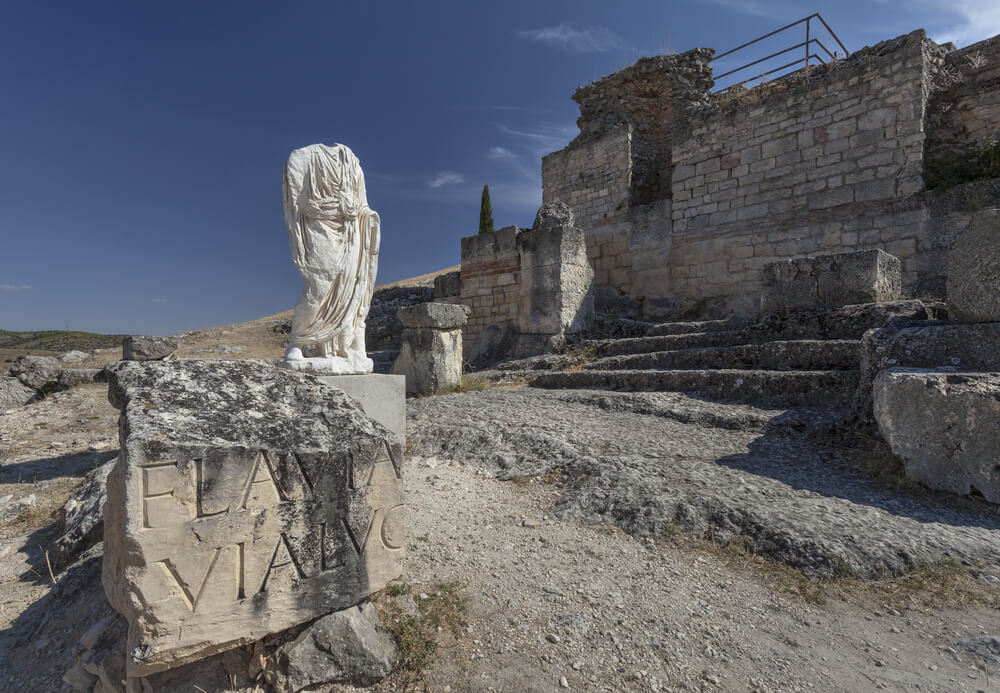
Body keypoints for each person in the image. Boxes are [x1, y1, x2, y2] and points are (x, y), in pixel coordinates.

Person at [281, 143, 379, 374]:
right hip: (318, 224)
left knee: (351, 286)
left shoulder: (351, 161)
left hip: (351, 228)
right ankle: (297, 342)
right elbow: (295, 201)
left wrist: (368, 217)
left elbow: (362, 203)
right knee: (319, 287)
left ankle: (344, 348)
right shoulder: (302, 156)